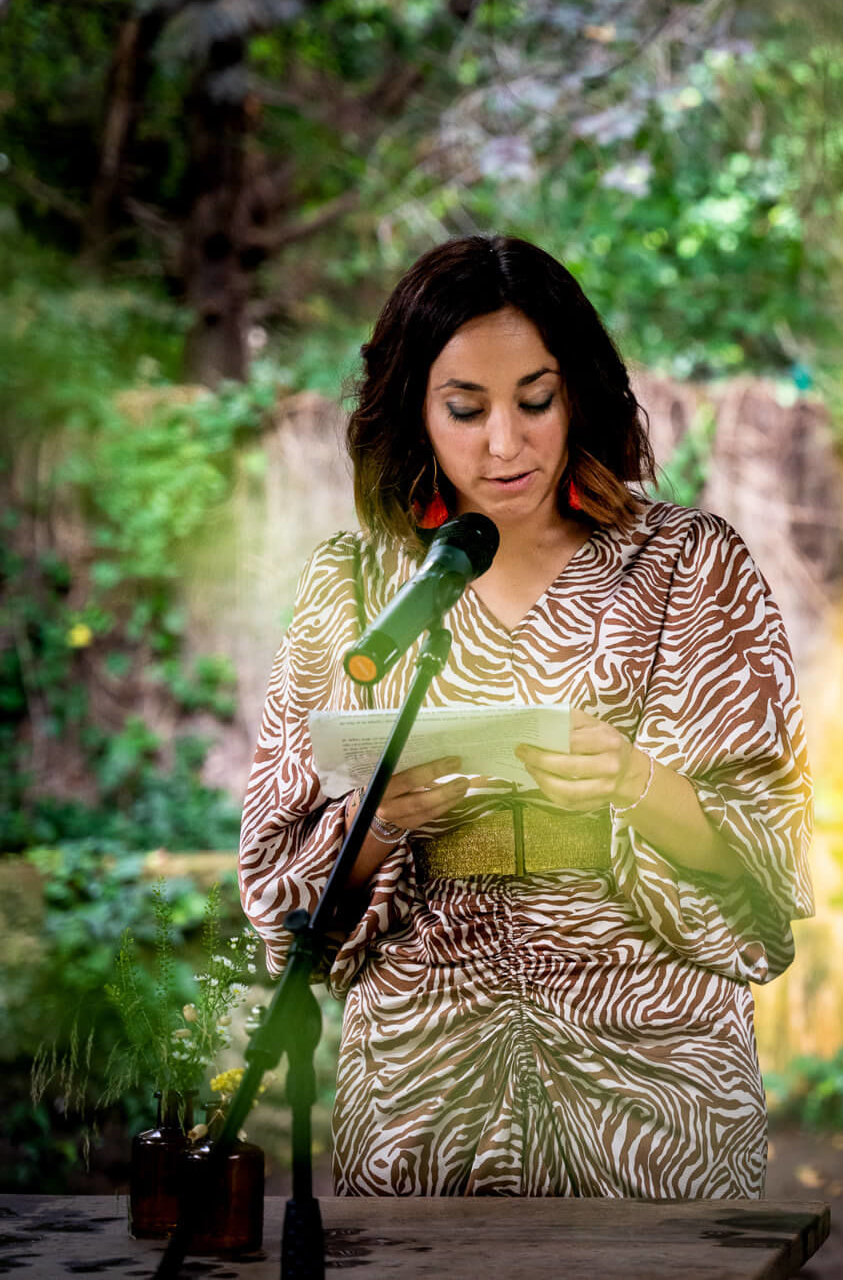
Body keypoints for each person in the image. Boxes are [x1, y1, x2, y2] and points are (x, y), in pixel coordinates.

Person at [238, 235, 813, 1198]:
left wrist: (636, 782)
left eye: (534, 401)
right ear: (415, 413)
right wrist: (381, 823)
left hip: (651, 1068)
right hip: (428, 1076)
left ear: (577, 392)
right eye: (465, 409)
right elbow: (276, 885)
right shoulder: (354, 583)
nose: (505, 443)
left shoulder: (690, 566)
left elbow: (772, 855)